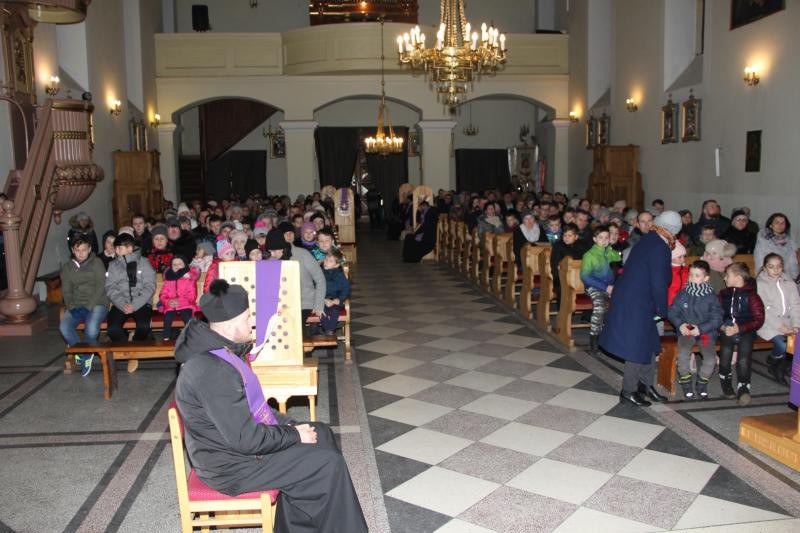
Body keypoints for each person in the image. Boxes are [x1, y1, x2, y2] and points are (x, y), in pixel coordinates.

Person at [173, 280, 368, 533]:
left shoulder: (221, 351)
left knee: (321, 432)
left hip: (237, 450)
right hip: (231, 467)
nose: (252, 322)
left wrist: (292, 426)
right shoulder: (212, 370)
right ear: (230, 325)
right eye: (247, 318)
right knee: (327, 464)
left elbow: (256, 409)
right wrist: (294, 435)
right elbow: (246, 439)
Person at [600, 211, 681, 407]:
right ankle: (628, 391)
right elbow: (659, 282)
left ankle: (646, 385)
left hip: (634, 297)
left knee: (650, 343)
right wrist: (662, 310)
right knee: (636, 347)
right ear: (673, 230)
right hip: (637, 301)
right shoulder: (660, 247)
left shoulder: (650, 239)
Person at [668, 260, 723, 400]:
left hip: (705, 332)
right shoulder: (683, 294)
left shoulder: (711, 297)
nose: (692, 278)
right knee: (683, 354)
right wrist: (680, 324)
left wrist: (701, 329)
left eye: (697, 276)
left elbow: (717, 318)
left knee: (710, 359)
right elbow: (672, 312)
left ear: (706, 278)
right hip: (687, 330)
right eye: (691, 275)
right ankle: (686, 382)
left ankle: (702, 383)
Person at [60, 235, 109, 376]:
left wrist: (88, 306)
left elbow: (101, 286)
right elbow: (66, 290)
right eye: (77, 250)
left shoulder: (97, 263)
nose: (81, 253)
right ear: (72, 250)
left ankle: (85, 355)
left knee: (91, 329)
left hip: (97, 302)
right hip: (76, 303)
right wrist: (71, 307)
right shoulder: (67, 267)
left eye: (84, 250)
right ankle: (83, 353)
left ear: (89, 249)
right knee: (64, 327)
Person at [718, 262, 765, 405]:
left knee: (744, 358)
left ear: (738, 278)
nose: (724, 278)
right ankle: (726, 382)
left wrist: (740, 328)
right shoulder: (723, 294)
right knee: (725, 354)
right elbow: (716, 314)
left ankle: (743, 387)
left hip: (746, 330)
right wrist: (722, 326)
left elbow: (759, 319)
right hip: (727, 329)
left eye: (727, 275)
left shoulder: (752, 296)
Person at [265, 229, 326, 336]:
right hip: (283, 304)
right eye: (270, 251)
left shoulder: (302, 254)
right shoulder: (271, 261)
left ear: (282, 247)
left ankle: (303, 344)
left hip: (304, 302)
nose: (272, 254)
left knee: (295, 329)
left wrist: (319, 305)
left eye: (274, 251)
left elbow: (320, 278)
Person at [756, 253, 800, 384]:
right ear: (765, 268)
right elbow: (763, 310)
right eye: (771, 267)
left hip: (788, 322)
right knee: (784, 344)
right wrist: (780, 326)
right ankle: (775, 365)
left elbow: (795, 305)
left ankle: (785, 363)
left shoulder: (789, 283)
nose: (776, 270)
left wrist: (796, 325)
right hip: (767, 324)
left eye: (779, 266)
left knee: (795, 341)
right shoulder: (760, 284)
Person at [105, 233, 156, 343]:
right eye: (115, 248)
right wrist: (122, 304)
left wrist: (134, 305)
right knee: (113, 329)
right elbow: (110, 287)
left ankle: (136, 343)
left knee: (144, 326)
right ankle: (126, 345)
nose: (116, 251)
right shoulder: (113, 265)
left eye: (119, 248)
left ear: (129, 248)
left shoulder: (144, 262)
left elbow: (149, 286)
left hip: (141, 302)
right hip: (121, 302)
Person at [580, 225, 620, 353]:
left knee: (621, 305)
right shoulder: (589, 255)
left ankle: (612, 337)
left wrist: (610, 249)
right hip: (594, 287)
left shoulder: (609, 252)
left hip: (610, 287)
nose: (604, 240)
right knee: (599, 307)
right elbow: (585, 276)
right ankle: (594, 337)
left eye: (606, 237)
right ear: (594, 239)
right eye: (601, 238)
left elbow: (619, 258)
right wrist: (605, 287)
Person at [158, 255, 199, 341]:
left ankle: (191, 339)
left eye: (179, 264)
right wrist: (168, 301)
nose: (177, 266)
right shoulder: (168, 279)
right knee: (167, 318)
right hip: (171, 304)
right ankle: (166, 338)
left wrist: (180, 301)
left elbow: (192, 295)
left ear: (185, 265)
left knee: (187, 317)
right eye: (174, 264)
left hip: (186, 304)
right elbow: (163, 294)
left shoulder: (189, 279)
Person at [550, 224, 590, 302]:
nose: (566, 238)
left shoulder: (583, 246)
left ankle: (587, 308)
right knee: (561, 288)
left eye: (569, 236)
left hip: (579, 277)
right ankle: (561, 308)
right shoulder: (558, 246)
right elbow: (555, 265)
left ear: (576, 237)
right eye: (565, 235)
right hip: (561, 278)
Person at [754, 213, 798, 282]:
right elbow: (760, 261)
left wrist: (794, 277)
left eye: (783, 223)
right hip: (769, 276)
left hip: (787, 276)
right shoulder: (763, 239)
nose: (780, 225)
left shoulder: (790, 239)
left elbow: (793, 261)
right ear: (771, 225)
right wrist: (764, 279)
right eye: (777, 223)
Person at [320, 249, 350, 336]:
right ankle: (328, 330)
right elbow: (314, 287)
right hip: (322, 299)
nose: (326, 262)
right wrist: (323, 300)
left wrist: (339, 299)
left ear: (336, 265)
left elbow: (346, 288)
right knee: (321, 310)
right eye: (326, 259)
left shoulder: (340, 274)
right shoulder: (319, 272)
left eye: (330, 261)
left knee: (335, 310)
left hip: (335, 299)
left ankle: (330, 331)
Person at [667, 241, 688, 306]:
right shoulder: (668, 270)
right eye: (680, 257)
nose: (683, 259)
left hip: (685, 298)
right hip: (671, 300)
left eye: (684, 256)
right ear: (672, 258)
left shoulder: (686, 268)